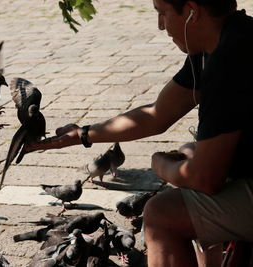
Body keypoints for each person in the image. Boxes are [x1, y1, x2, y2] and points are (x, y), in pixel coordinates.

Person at [26, 0, 253, 266]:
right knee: (190, 153)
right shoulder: (221, 42)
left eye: (163, 13)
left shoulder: (230, 59)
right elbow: (157, 114)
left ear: (192, 10)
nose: (160, 26)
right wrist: (82, 134)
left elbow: (205, 179)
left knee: (160, 213)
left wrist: (161, 165)